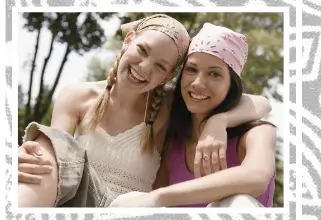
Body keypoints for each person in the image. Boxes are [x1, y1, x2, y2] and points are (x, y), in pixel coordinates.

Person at [14, 14, 272, 207]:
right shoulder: (77, 95)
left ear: (169, 75)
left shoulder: (170, 103)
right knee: (48, 147)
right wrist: (29, 156)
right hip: (80, 201)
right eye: (142, 51)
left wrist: (220, 121)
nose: (145, 68)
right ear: (129, 40)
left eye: (160, 66)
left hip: (134, 208)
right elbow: (56, 162)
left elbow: (261, 102)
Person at [110, 23, 277, 208]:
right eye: (191, 69)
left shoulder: (256, 133)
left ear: (232, 85)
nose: (198, 83)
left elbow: (257, 178)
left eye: (214, 74)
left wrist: (219, 121)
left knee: (238, 202)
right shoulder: (174, 144)